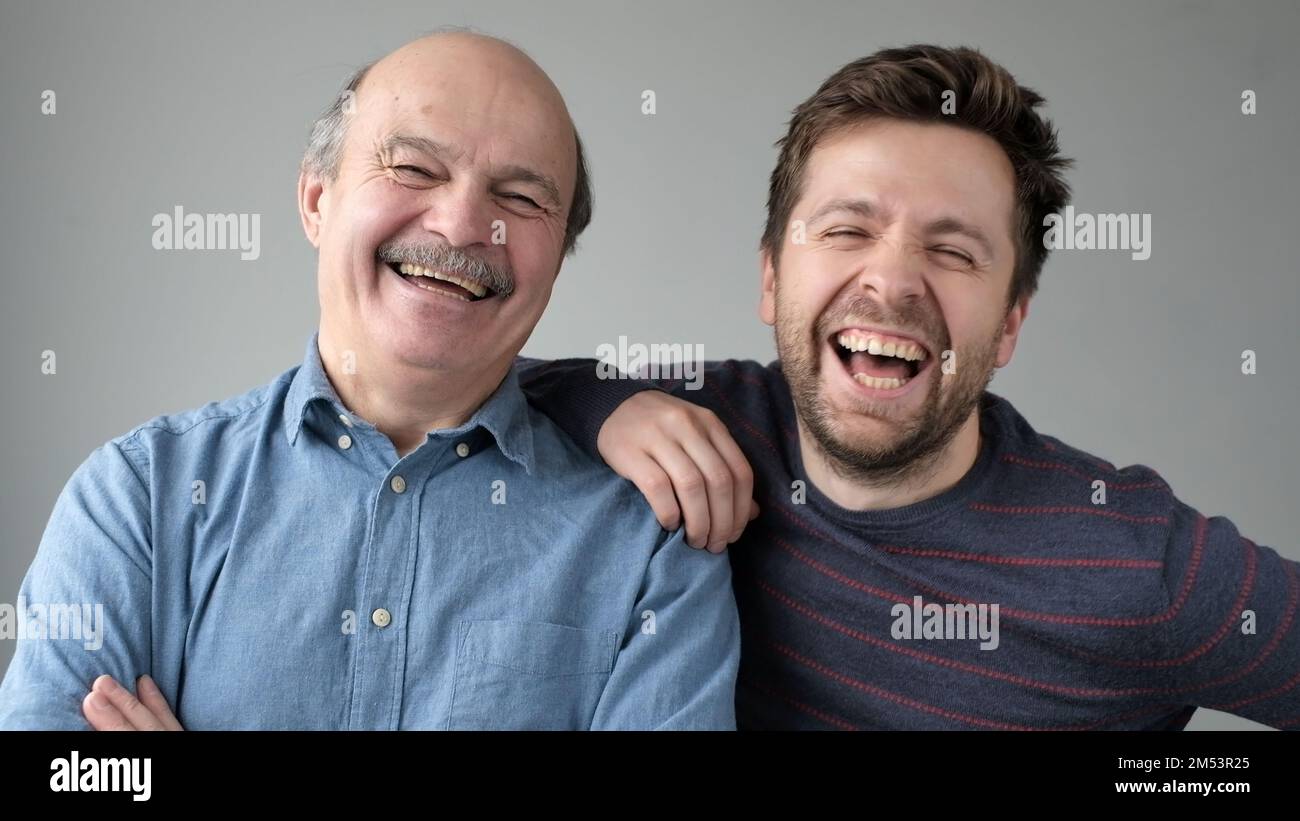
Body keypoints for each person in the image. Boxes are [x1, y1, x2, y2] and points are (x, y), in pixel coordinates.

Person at [526, 45, 1300, 730]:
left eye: (954, 250)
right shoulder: (706, 423)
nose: (893, 280)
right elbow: (485, 380)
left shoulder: (1137, 566)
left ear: (1007, 325)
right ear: (771, 275)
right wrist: (605, 407)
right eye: (847, 231)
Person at [0, 31, 739, 731]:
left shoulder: (656, 538)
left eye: (520, 197)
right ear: (317, 199)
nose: (459, 225)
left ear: (560, 253)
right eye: (414, 168)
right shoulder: (138, 499)